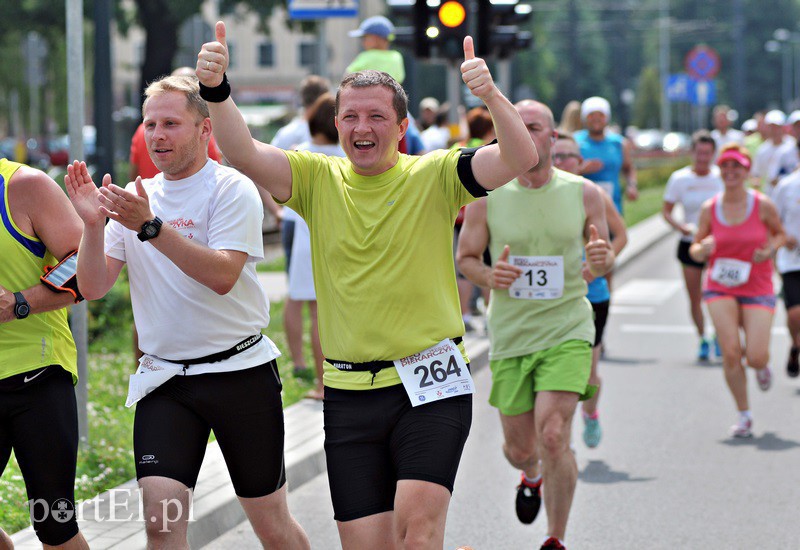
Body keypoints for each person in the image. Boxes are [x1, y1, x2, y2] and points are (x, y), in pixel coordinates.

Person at [197, 22, 537, 549]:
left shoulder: (437, 174)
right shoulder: (315, 178)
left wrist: (490, 95)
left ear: (400, 127)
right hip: (350, 393)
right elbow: (241, 152)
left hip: (431, 381)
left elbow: (520, 158)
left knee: (417, 536)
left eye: (377, 116)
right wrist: (216, 89)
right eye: (351, 116)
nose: (363, 126)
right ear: (336, 124)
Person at [65, 75, 310, 549]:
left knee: (271, 524)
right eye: (150, 124)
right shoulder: (136, 197)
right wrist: (94, 226)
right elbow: (93, 287)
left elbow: (222, 276)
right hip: (166, 382)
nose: (157, 135)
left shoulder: (231, 189)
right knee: (161, 523)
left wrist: (151, 227)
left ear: (204, 130)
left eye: (171, 123)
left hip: (240, 373)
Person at [456, 100, 614, 550]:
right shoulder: (487, 195)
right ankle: (531, 476)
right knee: (521, 448)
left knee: (553, 432)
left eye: (535, 127)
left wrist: (603, 260)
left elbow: (602, 256)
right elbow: (465, 258)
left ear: (552, 138)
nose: (525, 134)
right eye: (518, 128)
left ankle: (555, 539)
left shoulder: (584, 193)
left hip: (567, 327)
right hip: (512, 334)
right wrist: (490, 276)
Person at [0, 160, 88, 549]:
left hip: (34, 375)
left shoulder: (25, 186)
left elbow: (88, 265)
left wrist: (19, 303)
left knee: (53, 524)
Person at [689, 144, 785, 438]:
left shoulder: (762, 204)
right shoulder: (710, 208)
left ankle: (761, 366)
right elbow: (694, 249)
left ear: (746, 172)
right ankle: (744, 414)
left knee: (755, 355)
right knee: (730, 352)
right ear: (720, 171)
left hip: (757, 285)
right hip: (720, 285)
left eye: (737, 167)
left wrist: (770, 249)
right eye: (726, 167)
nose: (730, 172)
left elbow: (780, 234)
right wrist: (701, 249)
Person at [551, 133, 627, 449]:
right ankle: (556, 429)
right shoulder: (540, 194)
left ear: (581, 163)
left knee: (588, 370)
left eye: (568, 156)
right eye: (556, 156)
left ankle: (591, 414)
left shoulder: (593, 194)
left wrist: (600, 263)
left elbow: (620, 236)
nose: (561, 162)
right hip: (552, 298)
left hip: (592, 295)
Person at [271, 75, 332, 379]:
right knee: (325, 307)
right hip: (334, 229)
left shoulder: (297, 150)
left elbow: (260, 171)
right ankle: (328, 374)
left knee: (297, 296)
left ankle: (304, 367)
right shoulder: (351, 156)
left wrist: (276, 210)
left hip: (300, 228)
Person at [290, 93, 345, 400]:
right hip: (341, 239)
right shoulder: (348, 156)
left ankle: (324, 384)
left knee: (316, 315)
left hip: (306, 242)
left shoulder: (300, 154)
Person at [662, 130, 724, 361]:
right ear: (692, 153)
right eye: (699, 153)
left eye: (707, 153)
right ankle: (702, 338)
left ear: (713, 154)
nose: (703, 158)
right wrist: (681, 227)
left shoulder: (720, 177)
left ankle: (720, 334)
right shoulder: (680, 179)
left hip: (717, 245)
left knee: (718, 294)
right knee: (695, 295)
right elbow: (666, 212)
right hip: (690, 243)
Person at [574, 96, 638, 214]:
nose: (596, 119)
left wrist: (632, 185)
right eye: (591, 115)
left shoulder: (619, 143)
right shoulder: (575, 142)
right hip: (582, 209)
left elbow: (628, 168)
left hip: (613, 208)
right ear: (584, 118)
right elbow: (563, 172)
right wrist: (581, 170)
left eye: (601, 115)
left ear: (607, 117)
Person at [771, 140, 800, 377]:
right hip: (792, 260)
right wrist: (784, 236)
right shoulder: (787, 185)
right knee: (794, 314)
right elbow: (772, 220)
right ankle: (795, 343)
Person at [346, 15, 405, 84]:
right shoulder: (396, 56)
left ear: (376, 38)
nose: (363, 42)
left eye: (365, 37)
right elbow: (399, 79)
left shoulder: (367, 56)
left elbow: (347, 77)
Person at [751, 109, 793, 196]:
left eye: (777, 126)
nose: (774, 130)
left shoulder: (793, 145)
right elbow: (756, 174)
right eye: (771, 126)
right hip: (771, 194)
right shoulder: (762, 150)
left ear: (782, 127)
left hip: (792, 194)